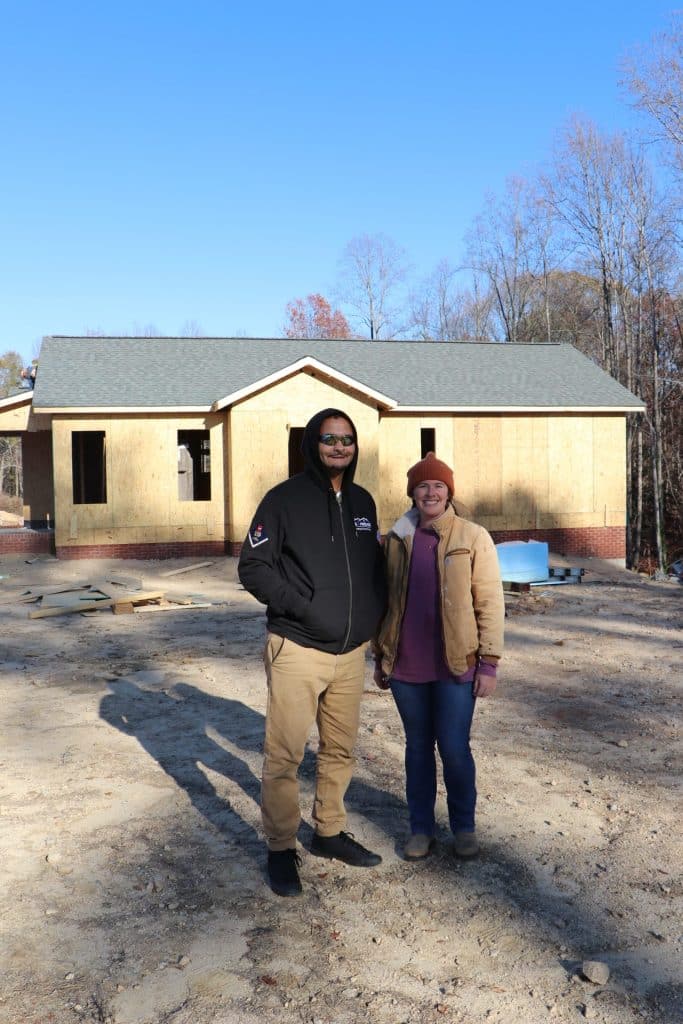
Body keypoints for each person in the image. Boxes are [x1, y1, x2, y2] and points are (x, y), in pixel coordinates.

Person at [238, 407, 387, 897]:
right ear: (312, 444)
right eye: (329, 438)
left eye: (347, 439)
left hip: (350, 655)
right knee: (284, 755)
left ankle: (327, 832)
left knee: (340, 750)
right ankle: (281, 848)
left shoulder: (364, 503)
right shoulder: (282, 500)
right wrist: (303, 606)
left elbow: (373, 574)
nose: (339, 447)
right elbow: (254, 568)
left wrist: (374, 628)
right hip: (298, 648)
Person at [373, 451, 504, 861]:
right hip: (407, 664)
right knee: (416, 747)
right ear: (412, 493)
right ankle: (420, 829)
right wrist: (381, 655)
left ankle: (464, 828)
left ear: (449, 493)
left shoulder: (472, 536)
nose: (430, 492)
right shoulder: (396, 540)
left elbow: (489, 601)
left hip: (456, 665)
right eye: (423, 485)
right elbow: (384, 602)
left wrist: (489, 662)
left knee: (453, 746)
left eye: (438, 486)